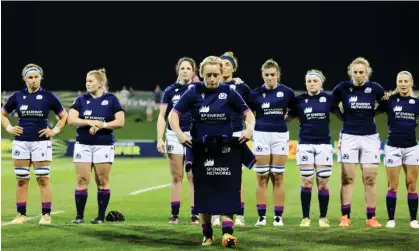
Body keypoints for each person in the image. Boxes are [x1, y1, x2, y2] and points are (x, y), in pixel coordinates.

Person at [168, 56, 255, 247]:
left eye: (216, 74)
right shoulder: (193, 92)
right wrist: (180, 134)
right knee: (203, 192)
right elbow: (173, 114)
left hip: (225, 149)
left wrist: (249, 129)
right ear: (201, 74)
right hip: (201, 149)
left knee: (227, 189)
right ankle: (207, 234)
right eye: (209, 75)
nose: (213, 78)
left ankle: (227, 233)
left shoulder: (229, 91)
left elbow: (248, 114)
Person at [1, 63, 68, 225]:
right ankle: (20, 215)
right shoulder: (17, 96)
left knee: (43, 178)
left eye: (36, 77)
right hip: (21, 143)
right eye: (30, 77)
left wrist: (54, 131)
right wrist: (9, 127)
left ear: (40, 78)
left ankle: (46, 215)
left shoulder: (48, 96)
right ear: (25, 79)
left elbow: (64, 116)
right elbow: (3, 114)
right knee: (21, 179)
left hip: (41, 143)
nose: (33, 80)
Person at [67, 68, 125, 224]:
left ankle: (100, 217)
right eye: (86, 81)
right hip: (83, 145)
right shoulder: (81, 100)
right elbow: (71, 120)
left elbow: (120, 121)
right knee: (82, 180)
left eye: (90, 81)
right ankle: (79, 216)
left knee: (102, 180)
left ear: (100, 83)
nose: (87, 83)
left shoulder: (112, 99)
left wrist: (102, 125)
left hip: (103, 145)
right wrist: (89, 122)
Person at [333, 57, 385, 228]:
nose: (358, 75)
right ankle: (345, 216)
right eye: (355, 72)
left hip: (370, 137)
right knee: (347, 177)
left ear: (367, 73)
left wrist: (372, 115)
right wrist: (344, 118)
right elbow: (332, 105)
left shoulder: (375, 88)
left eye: (361, 72)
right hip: (349, 136)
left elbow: (385, 104)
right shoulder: (342, 88)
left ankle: (371, 217)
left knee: (370, 179)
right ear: (350, 72)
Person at [288, 69, 343, 227]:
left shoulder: (328, 99)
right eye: (309, 81)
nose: (312, 83)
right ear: (305, 83)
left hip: (324, 145)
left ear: (321, 82)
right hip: (305, 144)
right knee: (306, 183)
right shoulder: (299, 101)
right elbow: (287, 117)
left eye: (315, 81)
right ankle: (305, 218)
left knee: (323, 183)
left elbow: (342, 114)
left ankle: (323, 217)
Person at [248, 59, 295, 227]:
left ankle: (278, 217)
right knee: (261, 177)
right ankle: (261, 216)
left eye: (272, 75)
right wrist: (251, 127)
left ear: (278, 75)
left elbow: (295, 109)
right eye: (266, 75)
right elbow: (247, 112)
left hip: (280, 135)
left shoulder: (287, 92)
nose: (269, 78)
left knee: (278, 176)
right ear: (262, 75)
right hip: (261, 135)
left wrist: (287, 119)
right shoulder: (255, 94)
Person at [210, 51, 251, 227]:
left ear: (233, 68)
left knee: (236, 177)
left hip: (236, 134)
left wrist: (248, 129)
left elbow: (251, 110)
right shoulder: (211, 85)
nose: (224, 67)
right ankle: (215, 214)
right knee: (216, 175)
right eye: (222, 65)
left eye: (227, 64)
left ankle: (239, 214)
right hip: (216, 134)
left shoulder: (242, 88)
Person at [156, 57, 199, 225]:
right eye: (182, 68)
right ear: (178, 71)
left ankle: (195, 214)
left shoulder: (198, 89)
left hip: (193, 136)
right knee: (176, 176)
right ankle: (174, 215)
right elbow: (162, 116)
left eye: (188, 68)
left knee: (193, 176)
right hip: (173, 135)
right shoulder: (170, 90)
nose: (185, 70)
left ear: (193, 71)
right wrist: (160, 138)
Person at [375, 71, 419, 228]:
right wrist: (381, 99)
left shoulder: (417, 103)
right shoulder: (390, 101)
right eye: (400, 81)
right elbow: (372, 112)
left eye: (406, 81)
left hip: (412, 148)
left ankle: (413, 220)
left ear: (411, 82)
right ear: (397, 82)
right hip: (393, 147)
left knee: (412, 185)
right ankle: (390, 219)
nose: (403, 83)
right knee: (393, 185)